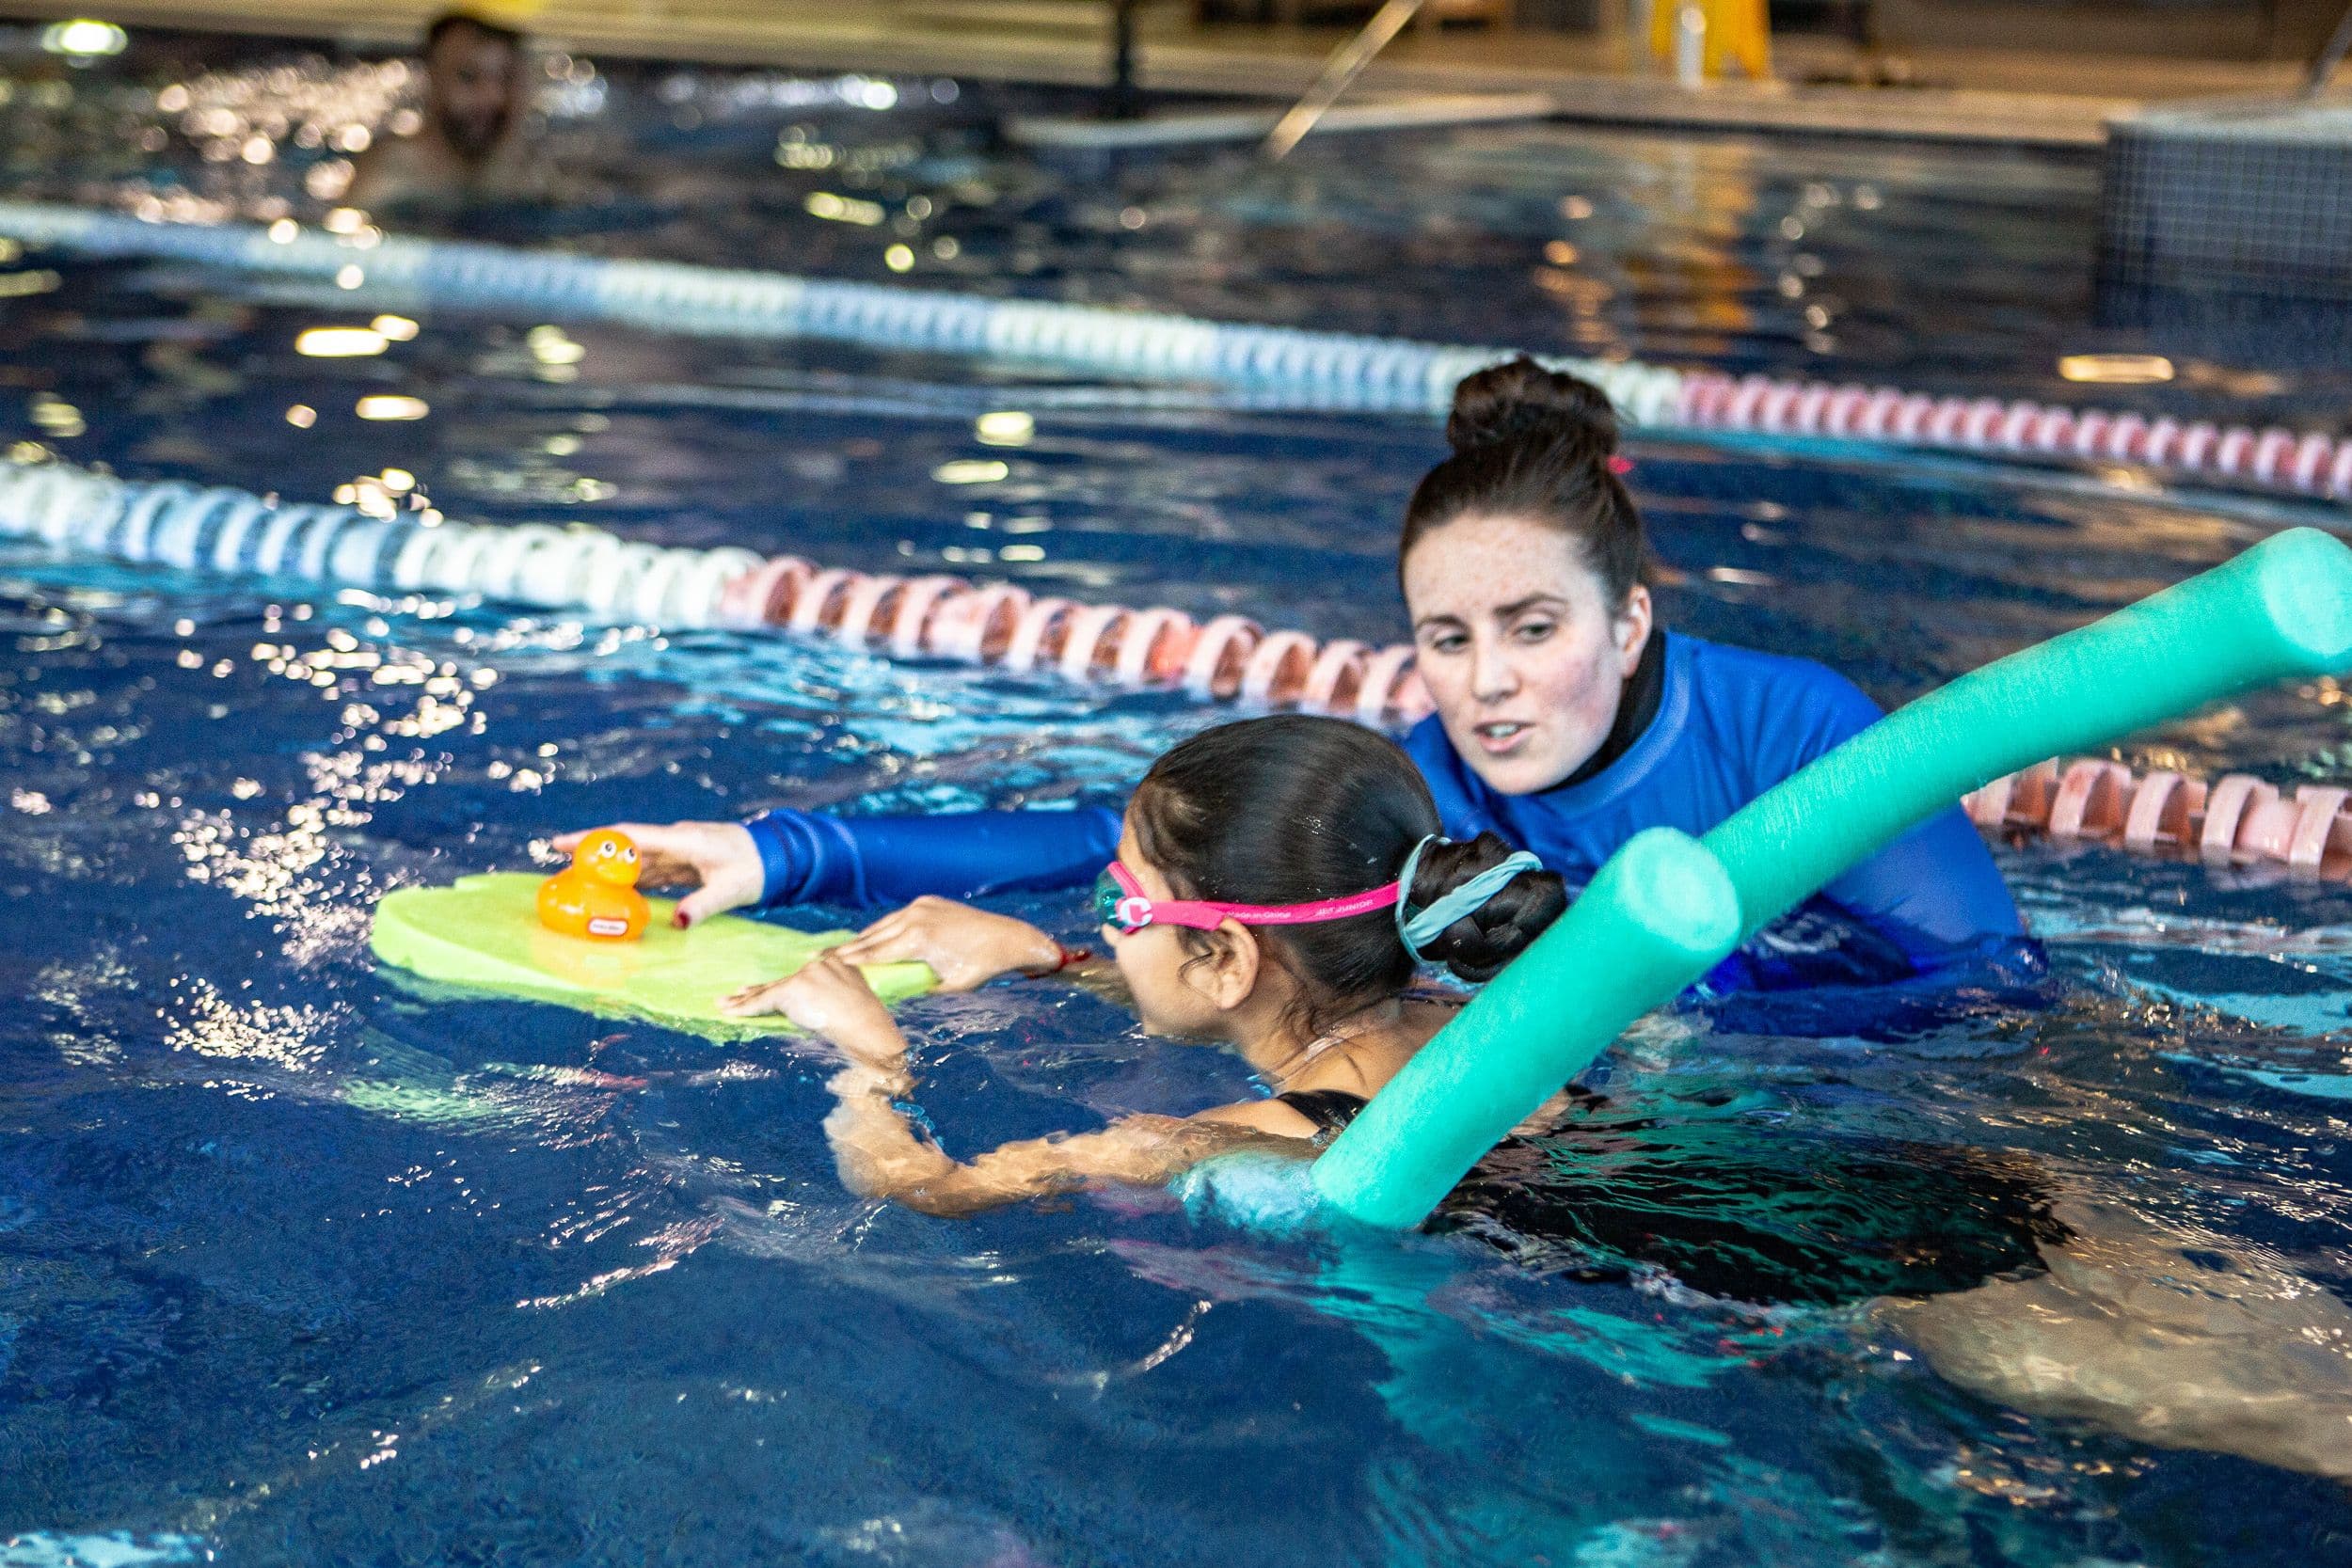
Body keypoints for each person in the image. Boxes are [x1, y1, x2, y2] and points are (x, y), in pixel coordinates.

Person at [562, 357, 2027, 997]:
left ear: (1634, 621)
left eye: (1535, 628)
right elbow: (1122, 839)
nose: (1489, 685)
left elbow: (1987, 995)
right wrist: (779, 849)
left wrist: (1681, 1003)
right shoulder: (1421, 784)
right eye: (1447, 639)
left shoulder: (1801, 734)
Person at [345, 11, 547, 212]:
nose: (491, 95)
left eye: (505, 77)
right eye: (468, 76)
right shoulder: (391, 174)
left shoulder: (537, 173)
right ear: (431, 80)